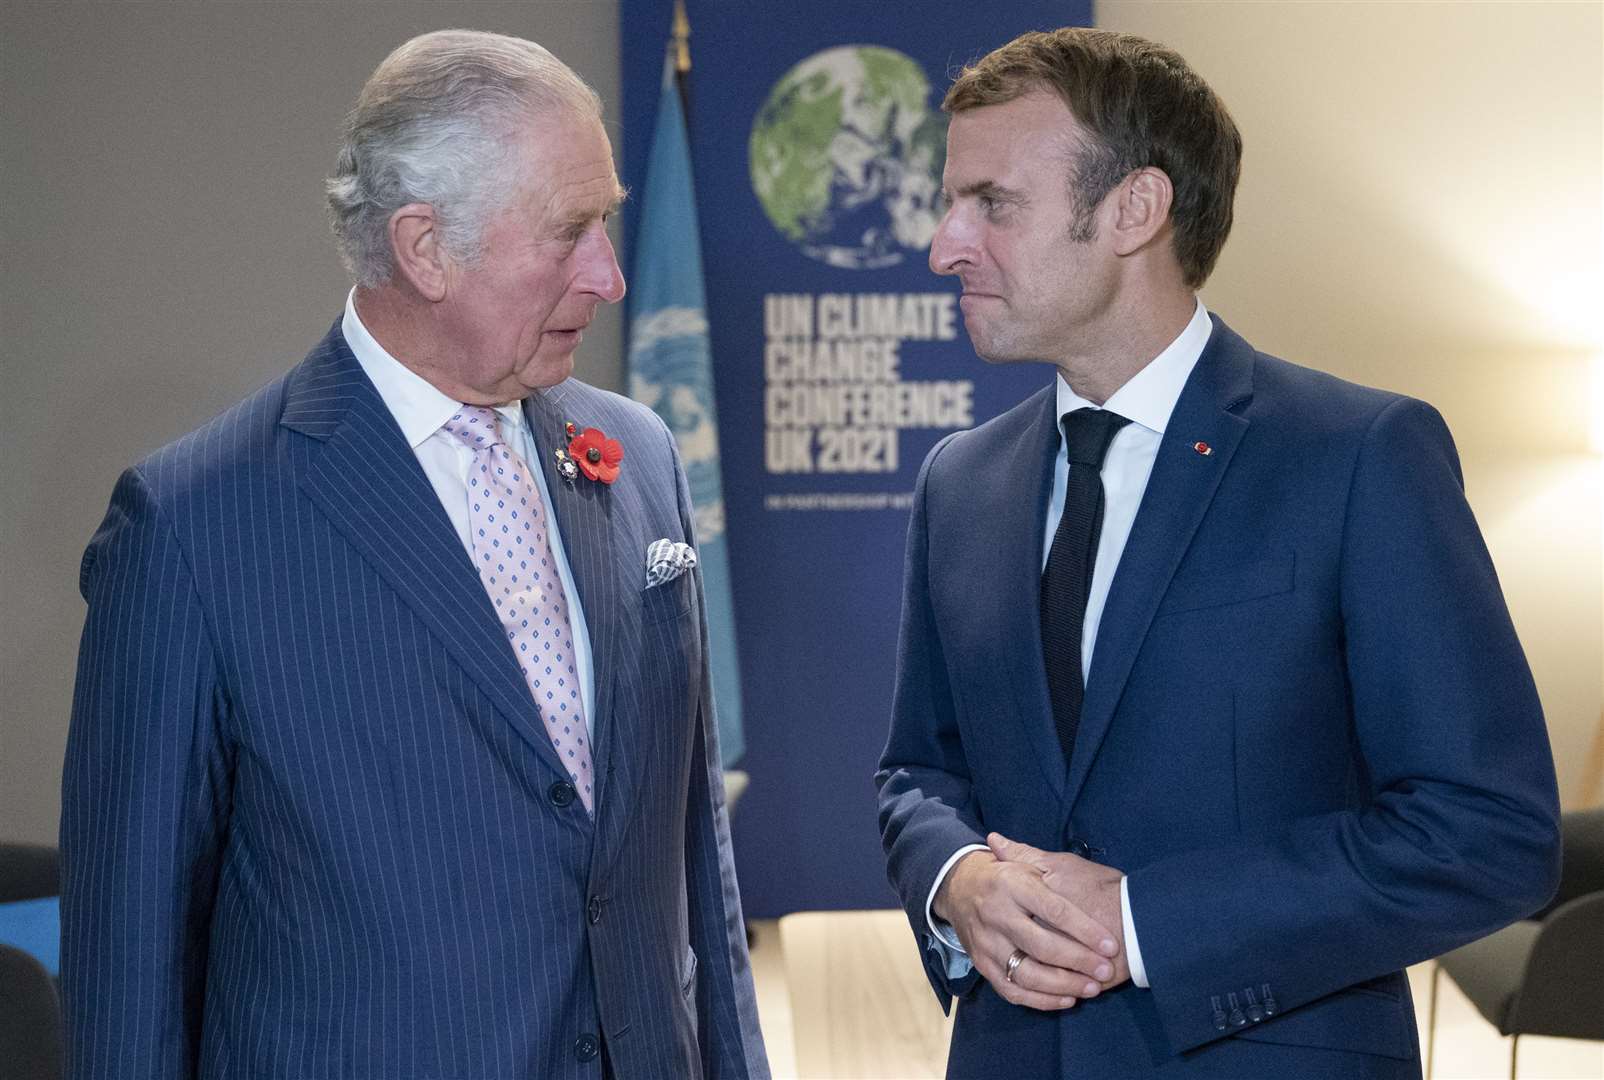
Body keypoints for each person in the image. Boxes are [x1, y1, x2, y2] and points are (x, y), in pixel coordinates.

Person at [61, 29, 768, 1080]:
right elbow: (131, 973)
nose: (611, 276)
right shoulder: (193, 528)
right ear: (424, 247)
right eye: (570, 231)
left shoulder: (642, 461)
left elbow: (691, 866)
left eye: (609, 223)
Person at [876, 27, 1559, 1079]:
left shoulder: (1358, 457)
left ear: (1133, 212)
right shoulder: (958, 482)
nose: (944, 243)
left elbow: (1482, 835)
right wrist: (954, 876)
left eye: (991, 203)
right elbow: (919, 768)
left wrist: (1146, 921)